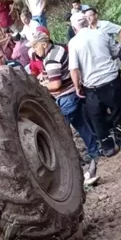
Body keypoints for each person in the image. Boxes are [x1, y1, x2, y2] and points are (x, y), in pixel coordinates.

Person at [31, 32, 100, 184]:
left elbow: (56, 85)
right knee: (81, 125)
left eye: (35, 46)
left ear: (43, 44)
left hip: (66, 97)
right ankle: (95, 152)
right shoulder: (58, 49)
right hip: (72, 94)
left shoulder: (51, 59)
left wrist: (40, 85)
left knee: (62, 133)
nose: (34, 50)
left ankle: (74, 166)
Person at [68, 19, 121, 155]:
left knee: (96, 116)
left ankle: (108, 147)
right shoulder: (101, 34)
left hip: (92, 85)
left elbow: (74, 69)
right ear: (87, 23)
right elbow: (114, 53)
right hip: (110, 78)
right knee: (117, 109)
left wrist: (77, 86)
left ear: (74, 28)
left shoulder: (73, 43)